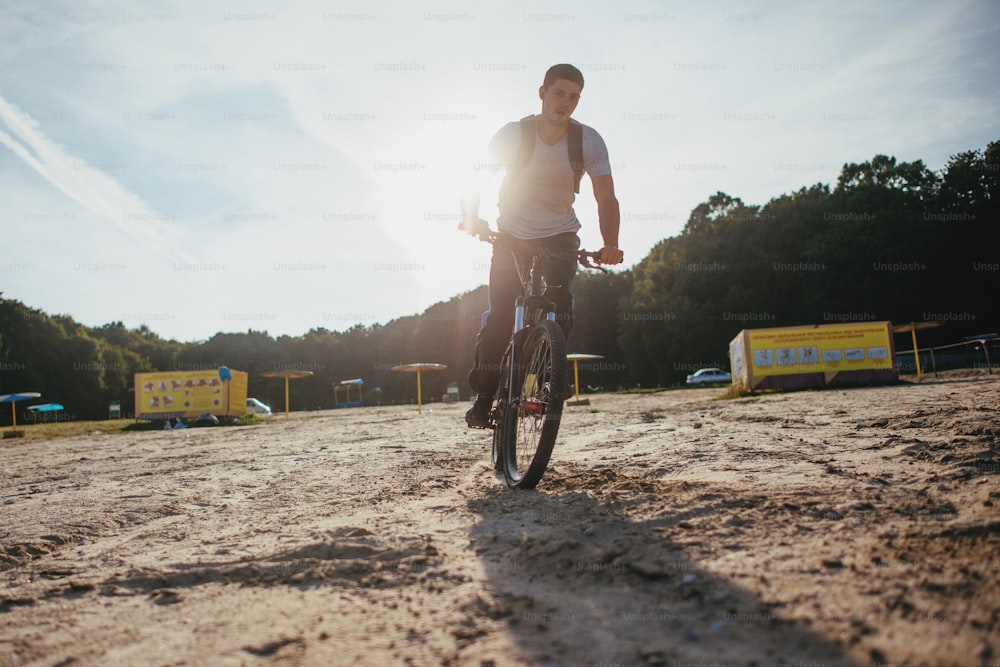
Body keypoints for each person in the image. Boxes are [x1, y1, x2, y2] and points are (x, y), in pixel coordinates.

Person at [460, 63, 623, 429]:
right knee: (501, 315)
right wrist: (472, 216)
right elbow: (474, 178)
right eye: (559, 93)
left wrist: (611, 244)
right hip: (512, 234)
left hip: (560, 232)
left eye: (574, 97)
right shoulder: (514, 135)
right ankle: (484, 398)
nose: (566, 103)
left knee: (559, 296)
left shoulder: (588, 141)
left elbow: (606, 198)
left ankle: (552, 374)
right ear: (542, 93)